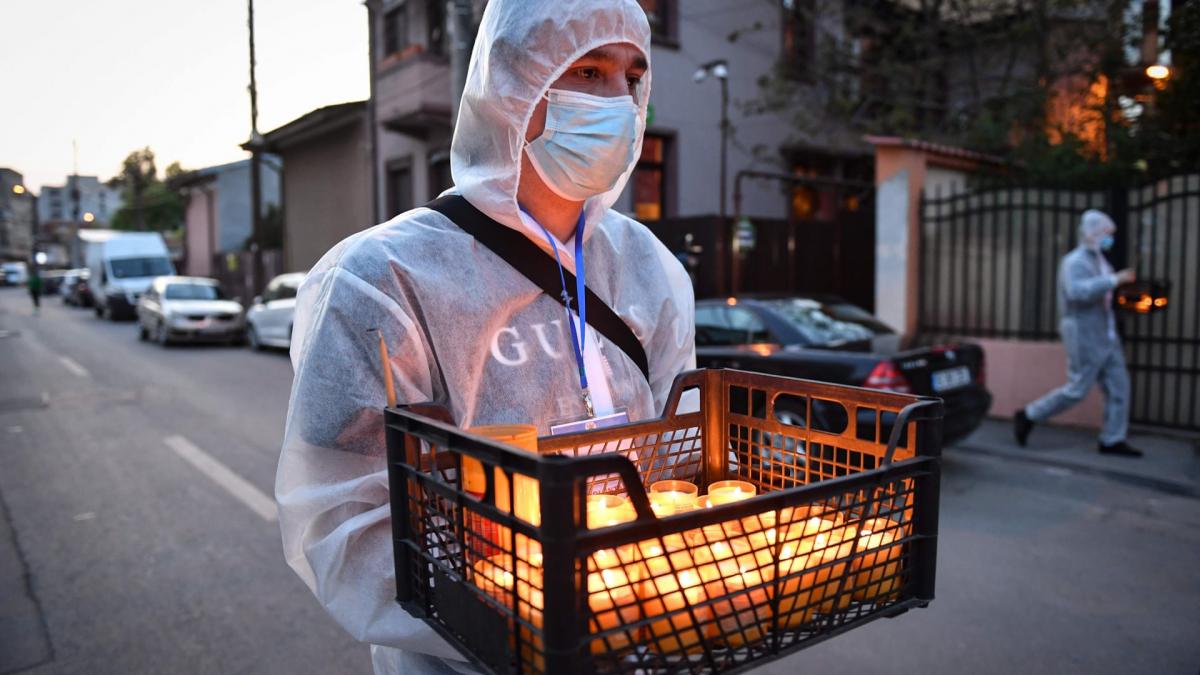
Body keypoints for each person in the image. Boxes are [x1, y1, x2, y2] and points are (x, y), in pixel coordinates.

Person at [275, 1, 695, 673]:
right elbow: (344, 525)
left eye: (631, 75)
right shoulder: (383, 280)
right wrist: (536, 621)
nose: (618, 100)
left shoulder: (650, 271)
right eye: (587, 71)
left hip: (644, 651)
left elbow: (681, 462)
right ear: (510, 83)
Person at [1013, 209, 1142, 457]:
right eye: (1106, 233)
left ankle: (1112, 439)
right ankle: (1029, 415)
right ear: (1094, 232)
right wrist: (1114, 281)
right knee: (1078, 388)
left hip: (1106, 333)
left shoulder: (1100, 261)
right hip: (1083, 332)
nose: (1109, 238)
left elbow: (1103, 296)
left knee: (1119, 387)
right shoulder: (1075, 262)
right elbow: (1076, 293)